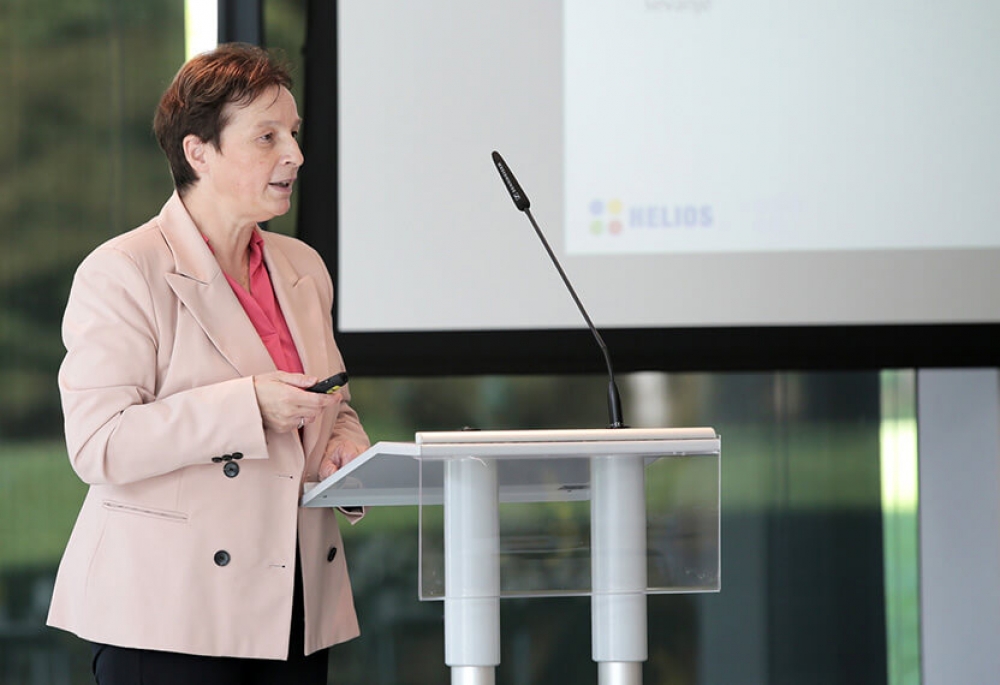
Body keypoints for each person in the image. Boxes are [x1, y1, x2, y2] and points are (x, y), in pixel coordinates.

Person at [46, 43, 370, 684]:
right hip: (168, 615)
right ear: (198, 152)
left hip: (292, 602)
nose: (295, 155)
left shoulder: (303, 266)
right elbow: (98, 444)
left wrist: (343, 442)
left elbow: (332, 401)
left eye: (294, 134)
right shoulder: (123, 270)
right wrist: (247, 408)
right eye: (268, 137)